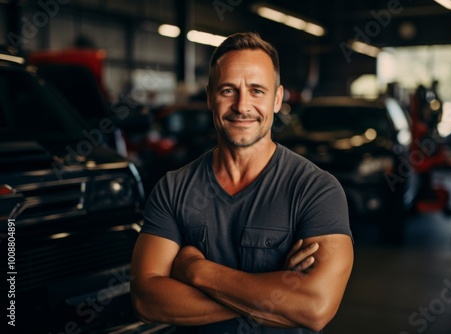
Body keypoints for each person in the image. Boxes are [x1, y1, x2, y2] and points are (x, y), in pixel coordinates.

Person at [130, 32, 354, 333]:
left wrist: (197, 271)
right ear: (210, 97)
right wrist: (274, 294)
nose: (242, 105)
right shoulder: (174, 188)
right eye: (228, 90)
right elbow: (146, 301)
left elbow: (314, 308)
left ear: (277, 99)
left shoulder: (315, 190)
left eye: (257, 91)